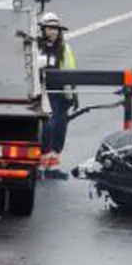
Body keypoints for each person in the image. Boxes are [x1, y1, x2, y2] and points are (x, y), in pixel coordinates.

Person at [38, 11, 77, 171]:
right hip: (43, 92)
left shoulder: (64, 48)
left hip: (60, 92)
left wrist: (72, 94)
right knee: (47, 125)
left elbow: (70, 69)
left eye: (55, 29)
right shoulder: (36, 47)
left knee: (60, 124)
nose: (53, 31)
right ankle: (44, 157)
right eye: (49, 28)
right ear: (43, 30)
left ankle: (54, 158)